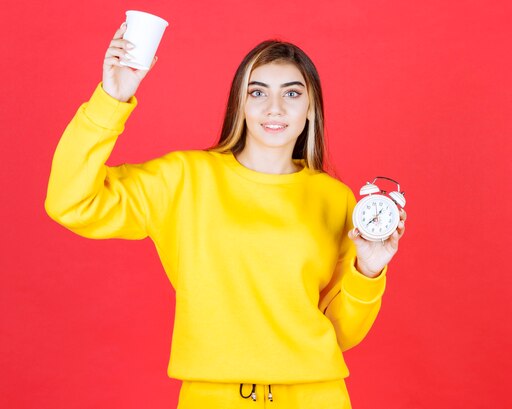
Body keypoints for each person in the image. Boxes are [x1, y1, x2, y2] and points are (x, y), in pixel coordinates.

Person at [45, 22, 407, 408]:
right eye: (258, 92)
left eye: (292, 94)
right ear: (241, 103)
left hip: (316, 394)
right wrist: (111, 99)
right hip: (211, 396)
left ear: (310, 109)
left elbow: (340, 332)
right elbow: (70, 201)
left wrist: (368, 271)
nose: (274, 108)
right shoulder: (185, 178)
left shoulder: (335, 198)